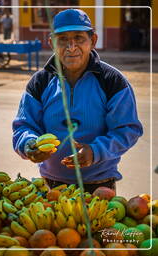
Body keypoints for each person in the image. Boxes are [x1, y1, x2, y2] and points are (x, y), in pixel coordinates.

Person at [12, 9, 143, 194]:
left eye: (79, 38)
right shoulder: (40, 82)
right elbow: (23, 126)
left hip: (99, 185)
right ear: (51, 43)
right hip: (51, 186)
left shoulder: (112, 81)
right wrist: (29, 145)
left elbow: (127, 129)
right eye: (63, 39)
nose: (71, 47)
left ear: (93, 41)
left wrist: (95, 151)